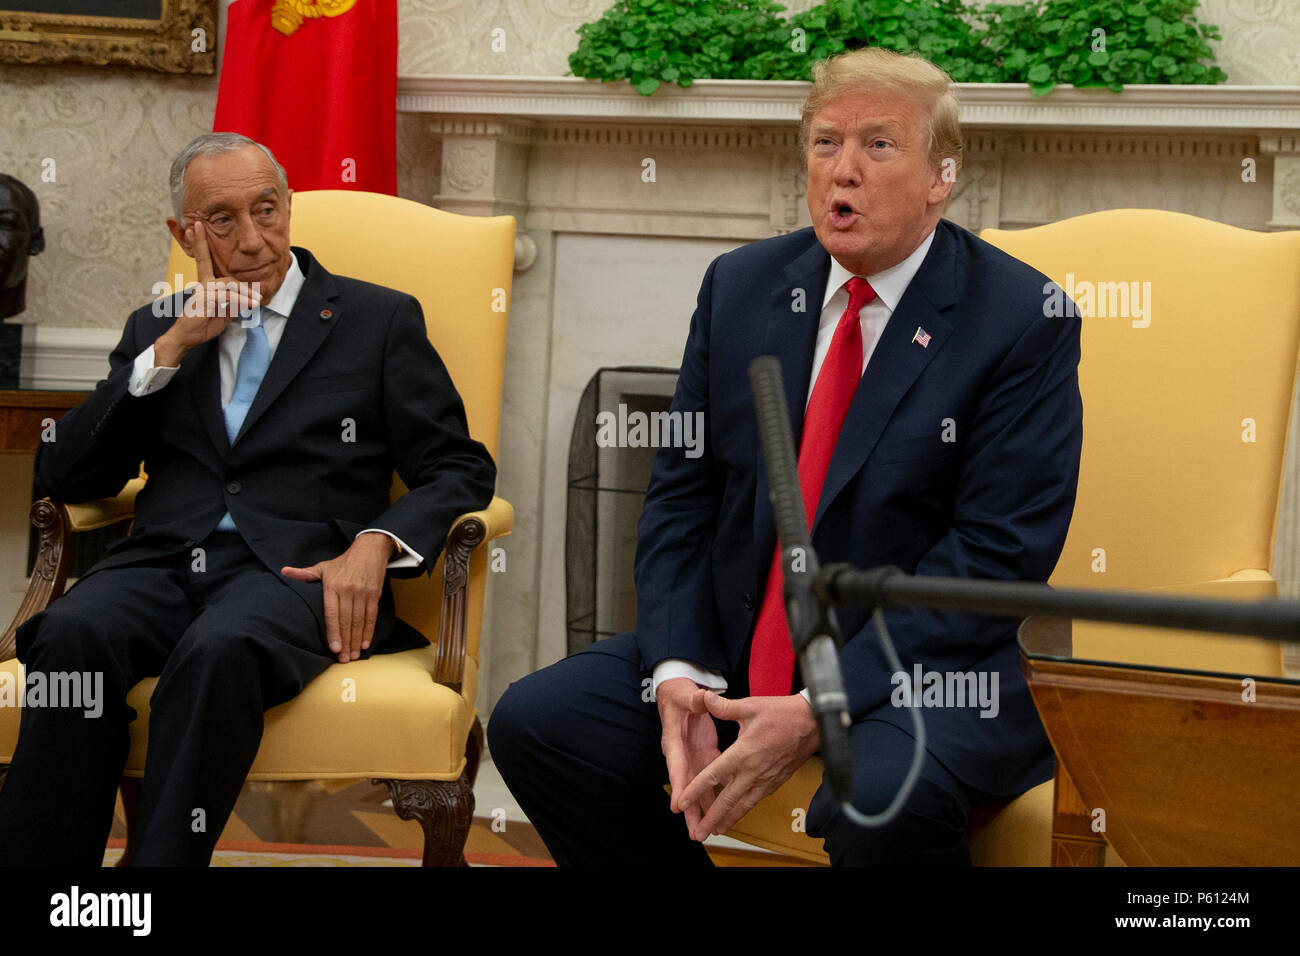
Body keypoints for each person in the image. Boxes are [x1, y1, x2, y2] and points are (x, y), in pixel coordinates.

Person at [488, 47, 1083, 866]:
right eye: (825, 143)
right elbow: (680, 498)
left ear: (942, 177)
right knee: (540, 723)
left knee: (882, 805)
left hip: (919, 671)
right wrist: (679, 670)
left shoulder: (1021, 319)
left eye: (878, 146)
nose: (843, 171)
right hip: (740, 642)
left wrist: (822, 700)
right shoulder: (741, 285)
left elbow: (997, 557)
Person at [0, 132, 496, 866]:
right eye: (224, 220)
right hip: (164, 563)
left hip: (297, 574)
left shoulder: (377, 321)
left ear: (290, 206)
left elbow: (457, 466)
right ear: (183, 233)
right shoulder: (157, 326)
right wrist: (170, 351)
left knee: (219, 648)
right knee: (73, 631)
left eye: (267, 210)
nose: (255, 239)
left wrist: (377, 542)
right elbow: (69, 477)